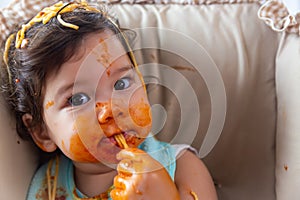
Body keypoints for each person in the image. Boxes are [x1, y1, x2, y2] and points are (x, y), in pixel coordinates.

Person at [1, 1, 217, 199]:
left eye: (121, 84)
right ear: (41, 131)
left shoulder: (183, 167)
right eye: (77, 99)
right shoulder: (46, 188)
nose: (111, 110)